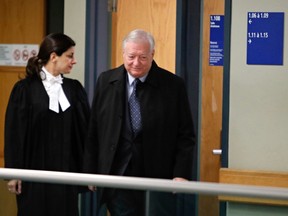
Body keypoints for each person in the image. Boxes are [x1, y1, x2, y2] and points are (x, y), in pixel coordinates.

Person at [83, 29, 196, 216]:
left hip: (158, 173)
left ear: (153, 54)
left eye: (143, 57)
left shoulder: (173, 85)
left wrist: (181, 173)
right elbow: (94, 130)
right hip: (117, 173)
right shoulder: (106, 81)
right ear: (123, 54)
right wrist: (90, 170)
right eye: (131, 56)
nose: (136, 63)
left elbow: (185, 135)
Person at [4, 33, 90, 216]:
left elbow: (85, 133)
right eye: (70, 56)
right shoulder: (24, 90)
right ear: (53, 56)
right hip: (33, 174)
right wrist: (13, 172)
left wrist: (89, 170)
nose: (73, 61)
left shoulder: (74, 89)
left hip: (67, 172)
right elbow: (14, 134)